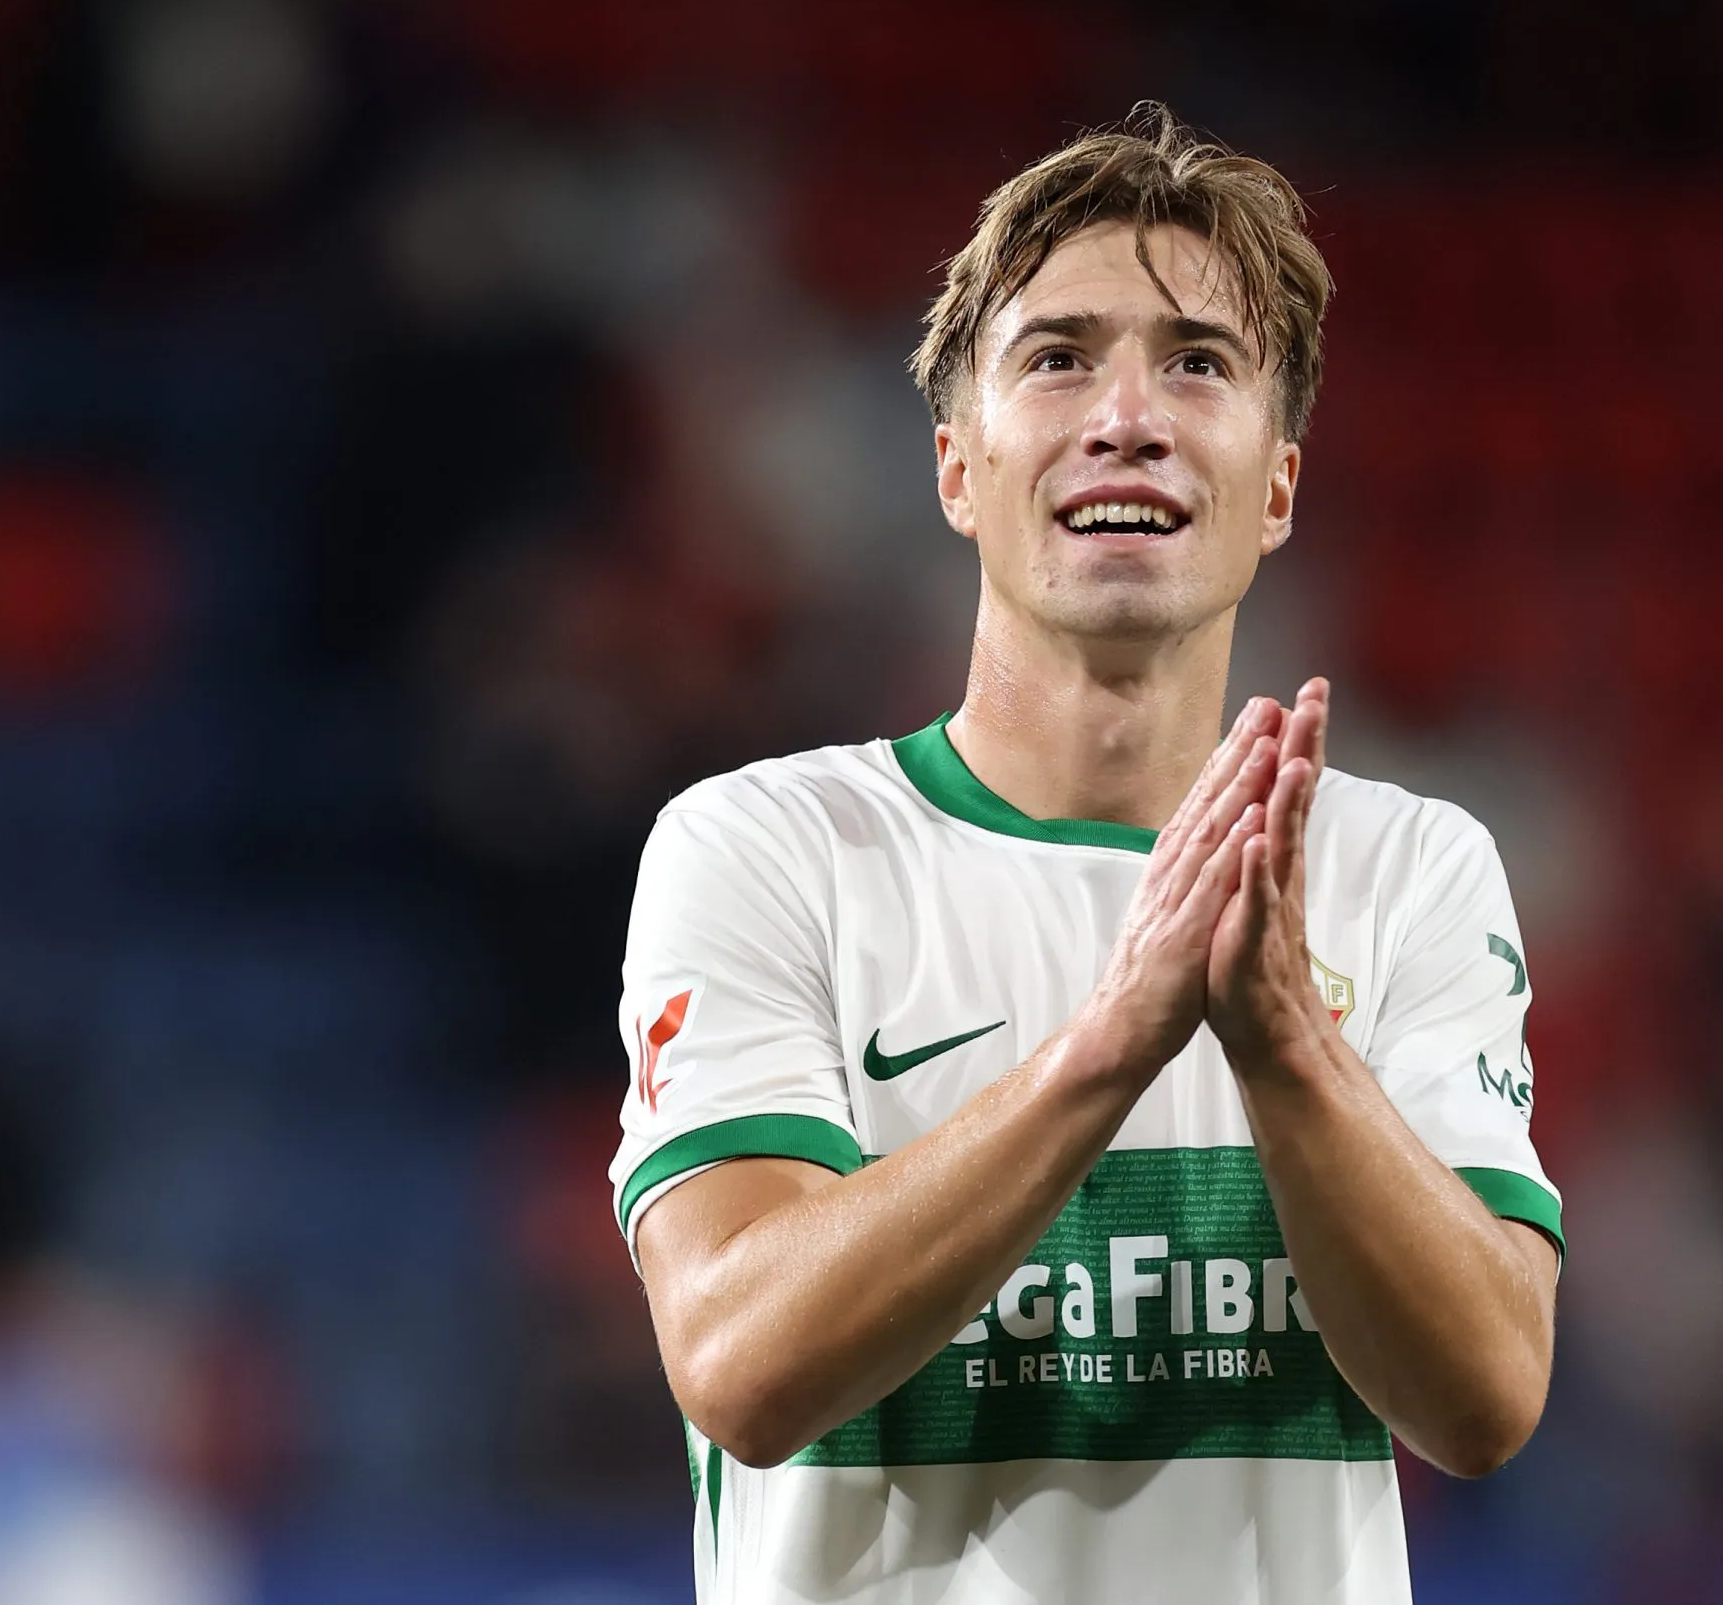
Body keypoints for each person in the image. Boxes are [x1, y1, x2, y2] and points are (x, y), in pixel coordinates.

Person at [609, 105, 1563, 1605]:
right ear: (958, 470)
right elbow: (740, 1362)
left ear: (1279, 485)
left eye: (1199, 362)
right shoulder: (770, 849)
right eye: (1057, 358)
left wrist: (1288, 1051)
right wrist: (1107, 1047)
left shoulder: (1409, 868)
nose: (1129, 416)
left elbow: (1487, 1398)